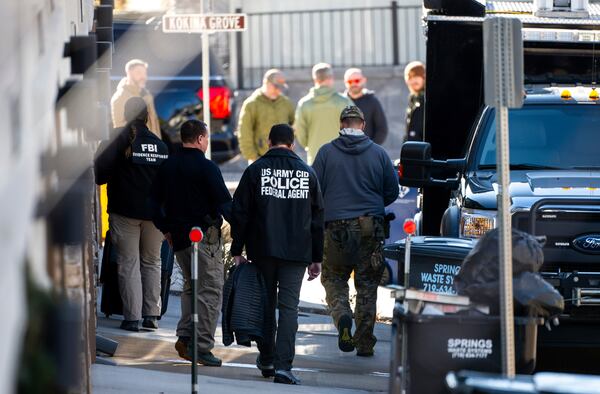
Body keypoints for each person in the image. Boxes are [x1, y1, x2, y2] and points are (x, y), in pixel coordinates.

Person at [230, 124, 324, 385]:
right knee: (289, 308)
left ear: (269, 142)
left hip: (263, 250)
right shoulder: (308, 174)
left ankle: (268, 358)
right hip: (297, 253)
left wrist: (237, 249)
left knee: (266, 304)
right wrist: (317, 258)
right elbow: (317, 220)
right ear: (293, 145)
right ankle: (284, 366)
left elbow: (241, 213)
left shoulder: (255, 171)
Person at [312, 106, 399, 358]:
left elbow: (314, 190)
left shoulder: (326, 153)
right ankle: (364, 343)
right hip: (370, 227)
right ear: (362, 125)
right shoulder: (379, 154)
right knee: (367, 284)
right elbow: (391, 191)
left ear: (341, 125)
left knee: (334, 278)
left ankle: (342, 318)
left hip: (335, 228)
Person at [151, 120, 232, 367]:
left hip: (179, 238)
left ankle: (186, 338)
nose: (207, 143)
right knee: (210, 290)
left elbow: (153, 203)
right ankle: (202, 346)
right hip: (203, 238)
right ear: (199, 139)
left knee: (191, 286)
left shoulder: (168, 165)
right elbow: (226, 205)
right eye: (206, 138)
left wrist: (165, 229)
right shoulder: (207, 168)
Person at [94, 97, 169, 332]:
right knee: (152, 262)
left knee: (128, 263)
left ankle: (132, 318)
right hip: (155, 216)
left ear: (125, 115)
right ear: (147, 117)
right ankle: (152, 315)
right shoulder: (160, 145)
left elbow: (99, 174)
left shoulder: (115, 139)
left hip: (124, 212)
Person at [294, 63, 353, 165]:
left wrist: (310, 144)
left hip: (315, 156)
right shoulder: (344, 102)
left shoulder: (304, 104)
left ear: (315, 79)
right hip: (342, 157)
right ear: (331, 78)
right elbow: (355, 128)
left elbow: (300, 132)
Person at [238, 69, 295, 163]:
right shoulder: (252, 104)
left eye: (281, 87)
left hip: (284, 159)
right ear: (266, 83)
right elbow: (244, 132)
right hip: (260, 158)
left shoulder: (286, 103)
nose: (279, 90)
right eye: (276, 86)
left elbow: (293, 127)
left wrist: (289, 151)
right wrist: (252, 157)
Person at [111, 59, 161, 138]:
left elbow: (154, 123)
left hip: (152, 145)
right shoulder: (120, 97)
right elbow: (120, 128)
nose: (144, 77)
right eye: (139, 73)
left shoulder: (146, 95)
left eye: (145, 73)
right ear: (129, 73)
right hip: (136, 146)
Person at [343, 68, 388, 145]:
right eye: (350, 81)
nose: (354, 84)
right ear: (345, 83)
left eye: (357, 80)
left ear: (364, 80)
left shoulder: (372, 101)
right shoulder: (341, 102)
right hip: (345, 151)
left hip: (367, 151)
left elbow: (382, 129)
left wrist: (371, 148)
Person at [403, 61, 426, 142]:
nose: (413, 80)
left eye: (416, 75)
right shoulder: (412, 99)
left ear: (424, 77)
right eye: (410, 77)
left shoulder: (427, 99)